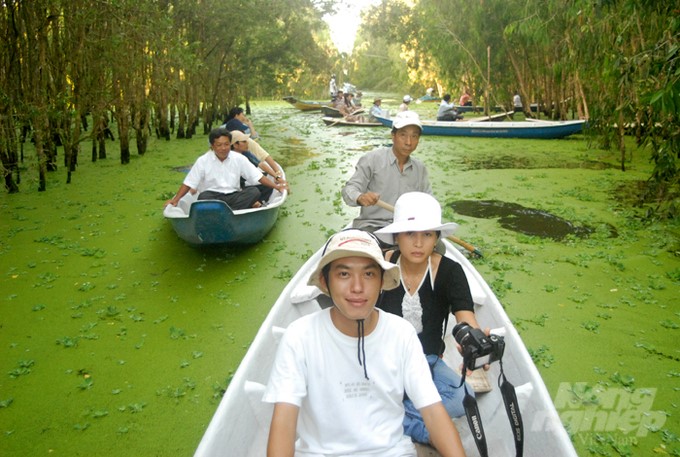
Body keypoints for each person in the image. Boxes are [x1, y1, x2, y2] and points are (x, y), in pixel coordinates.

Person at [264, 229, 467, 457]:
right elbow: (284, 424)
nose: (358, 287)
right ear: (324, 281)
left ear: (382, 281)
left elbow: (433, 412)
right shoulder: (300, 337)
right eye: (343, 274)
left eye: (369, 274)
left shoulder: (401, 333)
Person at [375, 192, 483, 445]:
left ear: (436, 238)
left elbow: (465, 316)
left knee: (462, 397)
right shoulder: (380, 265)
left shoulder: (450, 271)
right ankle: (426, 428)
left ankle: (394, 418)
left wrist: (474, 338)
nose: (418, 243)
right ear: (396, 237)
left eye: (427, 234)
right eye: (410, 233)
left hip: (428, 361)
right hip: (383, 358)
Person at [341, 111, 431, 233]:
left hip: (407, 229)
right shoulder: (372, 159)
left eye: (414, 136)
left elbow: (428, 202)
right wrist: (360, 197)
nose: (408, 142)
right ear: (393, 136)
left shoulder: (420, 169)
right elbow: (349, 189)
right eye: (403, 135)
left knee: (439, 248)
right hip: (373, 226)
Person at [164, 128, 285, 210]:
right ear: (212, 146)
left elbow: (258, 177)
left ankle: (227, 212)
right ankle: (232, 210)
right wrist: (176, 200)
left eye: (226, 144)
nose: (223, 148)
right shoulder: (203, 161)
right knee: (203, 197)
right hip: (212, 197)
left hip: (234, 196)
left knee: (254, 192)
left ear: (230, 144)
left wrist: (277, 186)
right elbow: (189, 182)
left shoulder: (239, 158)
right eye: (219, 145)